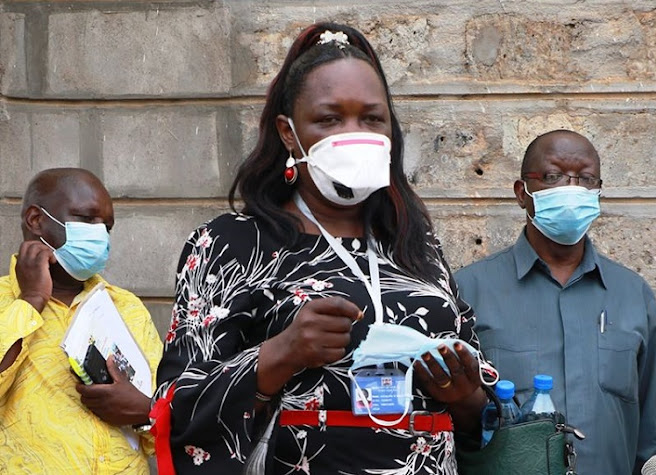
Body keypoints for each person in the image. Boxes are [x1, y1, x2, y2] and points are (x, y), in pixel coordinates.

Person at [152, 22, 488, 474]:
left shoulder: (414, 240)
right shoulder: (231, 243)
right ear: (289, 134)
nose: (354, 133)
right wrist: (279, 354)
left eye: (372, 118)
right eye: (330, 118)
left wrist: (466, 396)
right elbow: (176, 407)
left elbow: (482, 399)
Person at [455, 130, 656, 474]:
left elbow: (651, 437)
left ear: (599, 193)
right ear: (521, 193)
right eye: (553, 177)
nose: (571, 189)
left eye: (585, 179)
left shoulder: (633, 295)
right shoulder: (467, 291)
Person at [0, 168, 163, 474]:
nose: (100, 234)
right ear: (36, 220)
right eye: (87, 219)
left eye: (107, 226)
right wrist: (32, 299)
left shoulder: (125, 307)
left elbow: (165, 427)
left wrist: (143, 410)